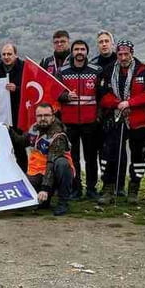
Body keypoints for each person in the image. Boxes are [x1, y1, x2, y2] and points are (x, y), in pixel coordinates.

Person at [95, 41, 145, 204]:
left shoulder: (143, 70)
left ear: (132, 53)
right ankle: (108, 188)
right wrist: (118, 104)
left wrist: (130, 103)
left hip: (138, 119)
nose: (123, 57)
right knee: (109, 154)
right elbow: (102, 95)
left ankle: (134, 189)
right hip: (114, 118)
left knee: (138, 155)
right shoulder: (108, 71)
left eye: (126, 54)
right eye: (120, 54)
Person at [56, 40, 101, 197]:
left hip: (90, 122)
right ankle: (75, 188)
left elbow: (101, 96)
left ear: (87, 51)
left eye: (82, 49)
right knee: (72, 158)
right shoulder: (63, 71)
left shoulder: (96, 70)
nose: (79, 52)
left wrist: (98, 117)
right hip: (69, 122)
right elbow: (55, 93)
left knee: (90, 158)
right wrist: (66, 96)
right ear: (72, 52)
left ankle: (91, 188)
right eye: (76, 49)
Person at [26, 103, 74, 216]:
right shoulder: (34, 128)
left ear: (53, 117)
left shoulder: (58, 135)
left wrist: (45, 188)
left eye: (46, 115)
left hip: (56, 172)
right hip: (38, 171)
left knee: (61, 163)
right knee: (27, 198)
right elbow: (21, 141)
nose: (43, 118)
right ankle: (44, 201)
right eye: (39, 115)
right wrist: (7, 130)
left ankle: (63, 202)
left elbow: (51, 163)